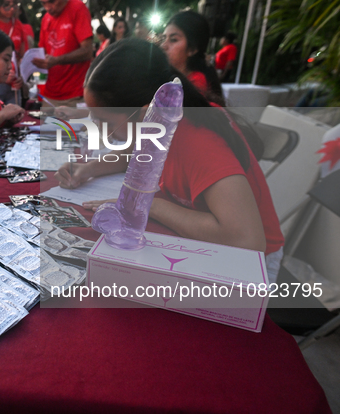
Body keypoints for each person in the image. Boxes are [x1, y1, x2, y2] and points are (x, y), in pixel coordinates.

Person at [54, 39, 284, 282]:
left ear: (145, 113)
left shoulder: (198, 141)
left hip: (251, 268)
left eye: (106, 122)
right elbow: (138, 153)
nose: (99, 131)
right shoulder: (162, 123)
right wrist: (87, 169)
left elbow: (247, 241)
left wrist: (147, 204)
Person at [32, 0, 93, 107]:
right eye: (43, 3)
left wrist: (57, 60)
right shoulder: (46, 18)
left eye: (51, 2)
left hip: (74, 95)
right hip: (49, 95)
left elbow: (87, 51)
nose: (47, 7)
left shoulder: (77, 8)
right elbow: (42, 54)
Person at [161, 10, 224, 106]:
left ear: (192, 49)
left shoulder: (196, 85)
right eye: (163, 38)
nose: (163, 45)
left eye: (173, 40)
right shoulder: (170, 76)